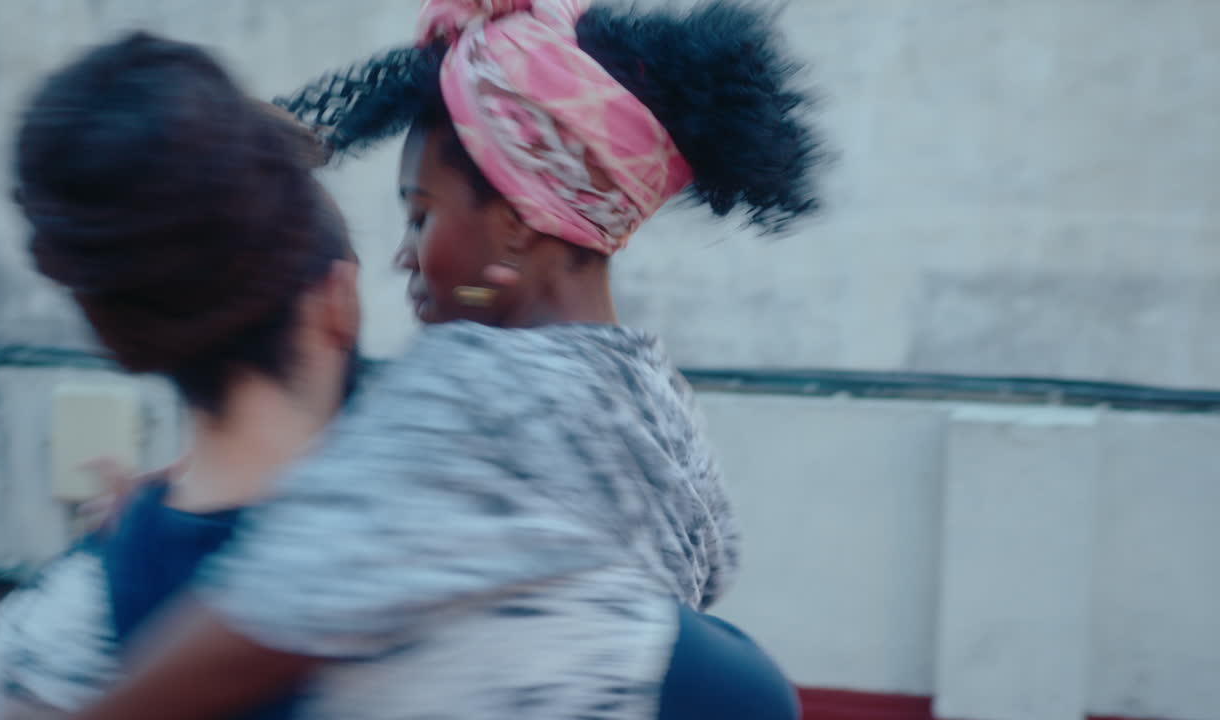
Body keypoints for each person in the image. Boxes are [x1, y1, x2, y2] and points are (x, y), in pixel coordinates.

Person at [61, 2, 822, 719]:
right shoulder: (655, 396)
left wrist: (150, 565)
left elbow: (279, 602)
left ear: (521, 225)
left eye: (420, 213)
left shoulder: (469, 385)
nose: (401, 256)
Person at [0, 31, 362, 719]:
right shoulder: (480, 585)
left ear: (122, 337)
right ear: (341, 301)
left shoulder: (47, 644)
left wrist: (108, 552)